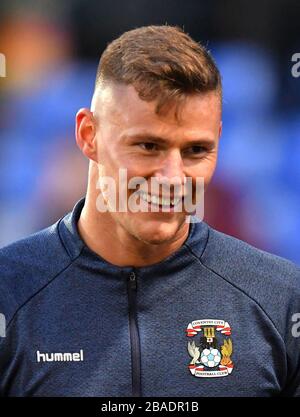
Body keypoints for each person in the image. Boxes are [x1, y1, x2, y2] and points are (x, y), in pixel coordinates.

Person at [0, 25, 299, 397]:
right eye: (147, 146)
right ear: (88, 135)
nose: (173, 179)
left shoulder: (282, 298)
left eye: (195, 151)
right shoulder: (8, 293)